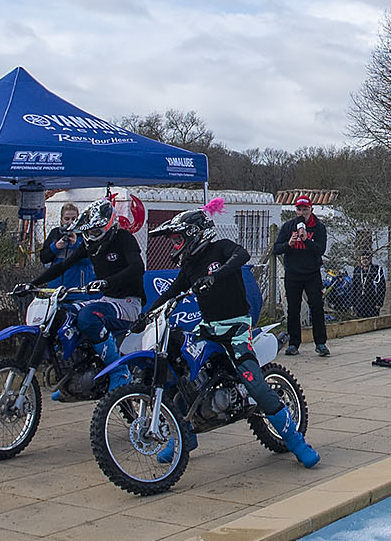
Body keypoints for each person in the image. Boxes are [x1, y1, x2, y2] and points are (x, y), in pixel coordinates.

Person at [148, 202, 318, 467]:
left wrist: (216, 275)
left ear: (194, 234)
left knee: (255, 383)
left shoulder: (221, 247)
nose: (176, 245)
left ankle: (296, 442)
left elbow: (242, 255)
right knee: (178, 369)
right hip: (208, 327)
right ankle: (184, 435)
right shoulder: (190, 265)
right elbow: (171, 292)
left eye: (179, 239)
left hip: (237, 326)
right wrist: (145, 315)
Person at [25, 198, 145, 393]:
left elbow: (138, 267)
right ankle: (71, 374)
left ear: (108, 226)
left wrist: (106, 282)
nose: (90, 236)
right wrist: (33, 284)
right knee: (61, 314)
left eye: (95, 231)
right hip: (106, 299)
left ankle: (119, 371)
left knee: (88, 317)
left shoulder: (123, 238)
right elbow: (63, 265)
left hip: (128, 303)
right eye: (87, 232)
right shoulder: (89, 244)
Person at [272, 196, 330, 357]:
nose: (302, 213)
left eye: (305, 209)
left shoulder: (319, 227)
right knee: (293, 309)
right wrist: (288, 244)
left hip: (312, 273)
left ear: (311, 209)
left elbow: (320, 249)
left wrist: (307, 241)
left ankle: (320, 343)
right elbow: (276, 248)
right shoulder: (288, 226)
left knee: (316, 306)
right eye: (299, 209)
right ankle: (293, 344)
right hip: (293, 273)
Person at [39, 202, 95, 290]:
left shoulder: (85, 234)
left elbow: (90, 260)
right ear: (61, 220)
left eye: (74, 219)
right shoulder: (55, 233)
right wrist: (55, 247)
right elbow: (44, 258)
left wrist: (76, 245)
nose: (70, 222)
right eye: (66, 219)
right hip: (56, 286)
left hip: (78, 288)